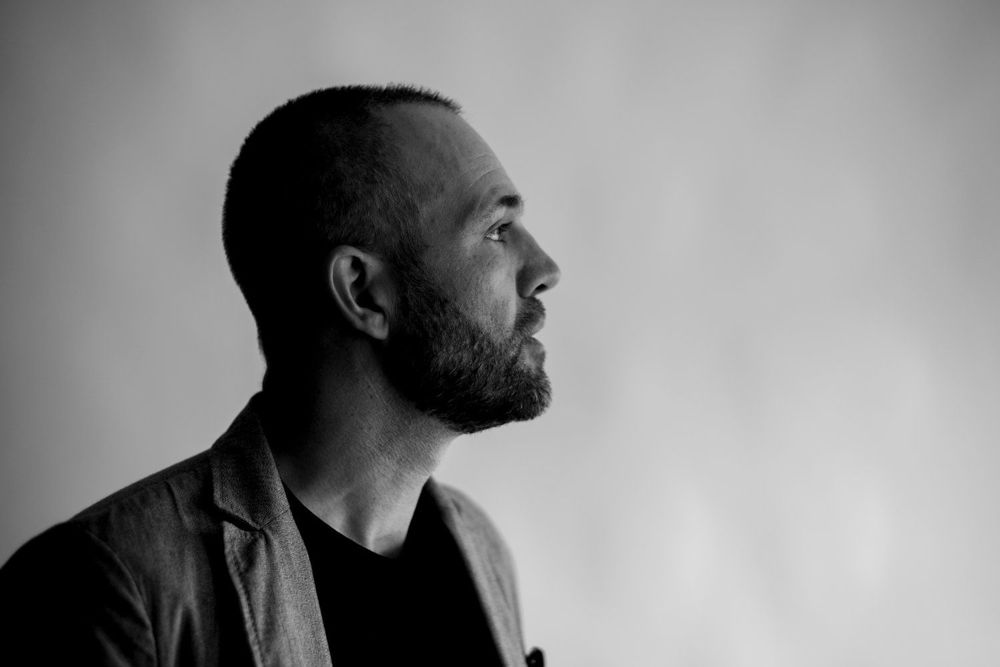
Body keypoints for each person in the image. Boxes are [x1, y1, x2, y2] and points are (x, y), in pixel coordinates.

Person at [0, 85, 559, 666]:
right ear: (363, 291)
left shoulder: (480, 549)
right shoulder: (106, 585)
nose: (546, 269)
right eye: (497, 230)